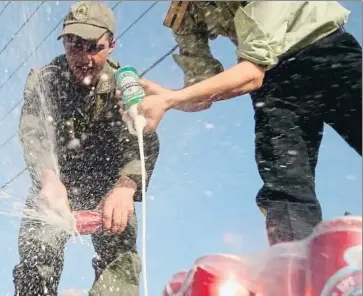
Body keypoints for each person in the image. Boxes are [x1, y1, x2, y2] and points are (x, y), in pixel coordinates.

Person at [125, 1, 361, 245]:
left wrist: (170, 99)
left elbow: (251, 74)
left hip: (328, 51)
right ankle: (296, 266)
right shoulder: (185, 14)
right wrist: (165, 98)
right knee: (284, 189)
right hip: (275, 82)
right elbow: (204, 90)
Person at [9, 1, 160, 296]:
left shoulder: (125, 85)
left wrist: (125, 187)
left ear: (111, 45)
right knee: (37, 255)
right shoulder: (44, 79)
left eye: (94, 47)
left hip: (110, 184)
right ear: (63, 43)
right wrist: (49, 179)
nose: (84, 57)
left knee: (120, 260)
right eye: (74, 44)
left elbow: (144, 141)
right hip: (54, 182)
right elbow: (32, 133)